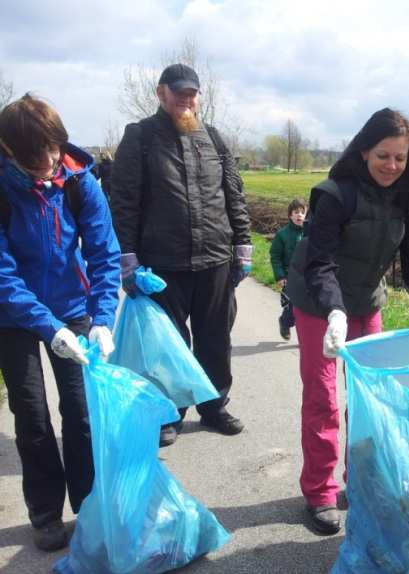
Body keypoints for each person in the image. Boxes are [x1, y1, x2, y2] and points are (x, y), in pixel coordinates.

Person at [286, 108, 409, 535]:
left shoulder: (406, 197)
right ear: (364, 151)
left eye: (401, 158)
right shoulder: (335, 194)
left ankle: (359, 480)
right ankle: (320, 489)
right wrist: (334, 311)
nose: (392, 166)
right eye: (384, 155)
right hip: (318, 303)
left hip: (366, 301)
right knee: (323, 398)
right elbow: (320, 262)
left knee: (370, 399)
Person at [0, 94, 121, 551]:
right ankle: (46, 512)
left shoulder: (78, 180)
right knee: (31, 415)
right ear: (8, 149)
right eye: (35, 157)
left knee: (81, 410)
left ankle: (88, 506)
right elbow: (3, 275)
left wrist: (103, 318)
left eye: (52, 149)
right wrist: (50, 329)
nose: (48, 162)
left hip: (73, 306)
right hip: (12, 316)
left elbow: (103, 252)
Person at [110, 63, 252, 447]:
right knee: (167, 344)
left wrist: (243, 245)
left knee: (215, 338)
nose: (186, 100)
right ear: (162, 94)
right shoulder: (140, 137)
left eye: (192, 94)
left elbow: (233, 195)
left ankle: (214, 405)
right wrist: (128, 259)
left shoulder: (215, 139)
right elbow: (123, 202)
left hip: (215, 258)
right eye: (179, 93)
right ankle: (169, 412)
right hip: (163, 262)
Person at [270, 197, 307, 340]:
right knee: (292, 309)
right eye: (296, 212)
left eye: (302, 212)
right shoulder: (282, 235)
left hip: (308, 278)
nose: (299, 215)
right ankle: (284, 322)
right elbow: (275, 256)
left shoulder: (310, 232)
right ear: (290, 215)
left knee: (307, 310)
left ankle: (304, 337)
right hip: (289, 278)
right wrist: (280, 276)